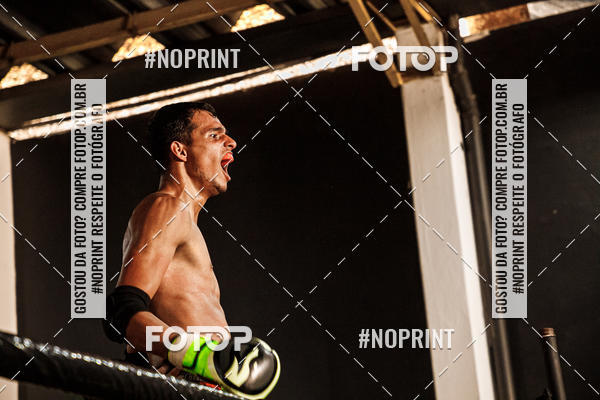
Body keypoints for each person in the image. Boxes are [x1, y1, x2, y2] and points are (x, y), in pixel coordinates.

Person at [102, 102, 280, 399]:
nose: (231, 142)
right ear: (180, 151)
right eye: (214, 135)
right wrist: (197, 357)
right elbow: (121, 312)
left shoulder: (185, 220)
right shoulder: (167, 207)